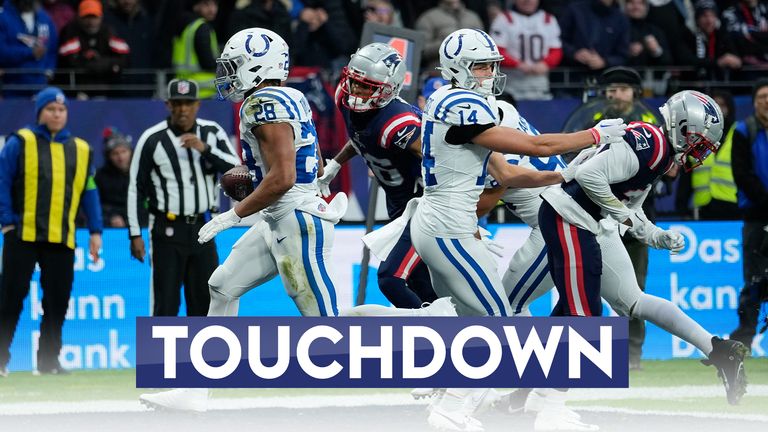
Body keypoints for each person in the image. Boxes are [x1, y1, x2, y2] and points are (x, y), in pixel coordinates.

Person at [397, 28, 626, 430]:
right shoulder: (460, 104)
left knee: (476, 318)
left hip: (443, 222)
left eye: (491, 64)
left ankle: (448, 393)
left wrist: (561, 174)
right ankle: (451, 408)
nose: (489, 72)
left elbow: (504, 172)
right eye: (481, 65)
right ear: (458, 68)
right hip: (448, 226)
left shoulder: (448, 99)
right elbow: (534, 147)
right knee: (499, 321)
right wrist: (593, 134)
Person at [139, 27, 350, 412]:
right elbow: (305, 163)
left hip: (295, 219)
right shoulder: (289, 96)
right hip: (281, 216)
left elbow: (284, 177)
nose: (229, 74)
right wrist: (254, 175)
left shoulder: (263, 102)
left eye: (235, 65)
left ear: (258, 66)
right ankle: (194, 391)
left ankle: (426, 337)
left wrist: (231, 215)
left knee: (326, 329)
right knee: (221, 286)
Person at [538, 89, 748, 406]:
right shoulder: (649, 142)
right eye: (699, 142)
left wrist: (651, 233)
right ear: (683, 127)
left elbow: (628, 203)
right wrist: (623, 216)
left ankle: (716, 348)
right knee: (583, 316)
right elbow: (588, 175)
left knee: (625, 302)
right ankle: (541, 406)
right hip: (567, 215)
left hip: (590, 222)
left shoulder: (660, 152)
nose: (699, 152)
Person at [316, 42, 436, 309]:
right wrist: (336, 164)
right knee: (421, 285)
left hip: (422, 208)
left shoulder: (398, 123)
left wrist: (443, 202)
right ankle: (443, 331)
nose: (356, 91)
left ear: (389, 89)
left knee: (390, 279)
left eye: (367, 87)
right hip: (399, 206)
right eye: (354, 82)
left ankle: (434, 332)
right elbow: (360, 137)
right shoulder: (345, 98)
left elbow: (439, 159)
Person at [0, 87, 103, 376]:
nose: (57, 114)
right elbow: (2, 180)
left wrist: (95, 230)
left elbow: (89, 191)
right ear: (40, 113)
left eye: (61, 110)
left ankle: (48, 362)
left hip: (62, 236)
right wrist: (7, 221)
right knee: (10, 299)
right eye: (50, 109)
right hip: (22, 234)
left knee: (57, 302)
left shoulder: (81, 149)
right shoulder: (21, 141)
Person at [127, 78, 239, 317]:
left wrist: (205, 150)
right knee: (165, 305)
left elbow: (237, 171)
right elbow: (136, 187)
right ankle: (161, 355)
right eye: (177, 103)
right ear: (168, 105)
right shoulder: (152, 138)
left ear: (197, 105)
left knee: (204, 304)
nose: (183, 109)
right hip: (166, 230)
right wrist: (135, 234)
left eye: (188, 103)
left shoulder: (211, 132)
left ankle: (199, 355)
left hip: (203, 229)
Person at [730, 79, 768, 349]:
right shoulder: (744, 131)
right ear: (754, 102)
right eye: (761, 97)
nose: (766, 101)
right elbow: (742, 175)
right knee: (754, 280)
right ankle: (744, 341)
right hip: (756, 216)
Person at [490, 0, 563, 100]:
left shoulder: (548, 19)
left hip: (540, 84)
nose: (528, 1)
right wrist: (517, 64)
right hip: (510, 84)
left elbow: (556, 50)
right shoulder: (504, 19)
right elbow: (496, 51)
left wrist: (546, 63)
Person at [57, 0, 130, 98]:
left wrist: (100, 63)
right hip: (78, 92)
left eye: (94, 17)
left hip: (105, 91)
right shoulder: (70, 32)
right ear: (79, 17)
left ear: (101, 17)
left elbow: (123, 59)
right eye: (87, 17)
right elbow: (68, 62)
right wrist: (101, 65)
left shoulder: (108, 32)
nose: (91, 21)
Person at [0, 0, 58, 97]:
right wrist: (30, 53)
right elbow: (2, 52)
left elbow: (52, 49)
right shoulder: (3, 17)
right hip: (11, 86)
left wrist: (49, 70)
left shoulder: (45, 18)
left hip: (40, 86)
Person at [95, 127, 144, 228]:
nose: (120, 157)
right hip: (109, 228)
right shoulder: (100, 176)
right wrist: (110, 217)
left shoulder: (141, 174)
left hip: (140, 226)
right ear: (108, 156)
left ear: (131, 152)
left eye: (124, 152)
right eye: (115, 153)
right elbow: (95, 204)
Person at [173, 0, 220, 98]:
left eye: (215, 4)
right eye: (206, 4)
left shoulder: (185, 26)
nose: (212, 9)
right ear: (195, 6)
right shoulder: (202, 27)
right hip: (204, 90)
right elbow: (208, 63)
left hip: (183, 88)